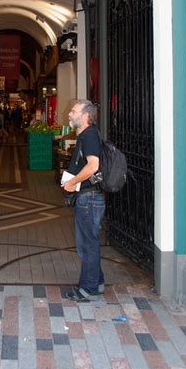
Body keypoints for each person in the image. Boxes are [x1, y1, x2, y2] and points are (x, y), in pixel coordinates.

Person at [62, 99, 105, 302]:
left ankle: (88, 290)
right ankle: (97, 281)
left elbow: (93, 166)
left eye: (74, 111)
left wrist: (73, 183)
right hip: (88, 198)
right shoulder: (86, 135)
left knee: (87, 245)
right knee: (90, 242)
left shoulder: (89, 136)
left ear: (86, 116)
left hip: (89, 198)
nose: (70, 114)